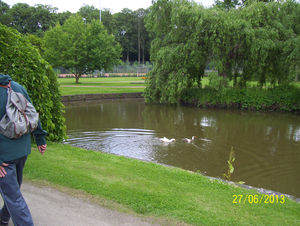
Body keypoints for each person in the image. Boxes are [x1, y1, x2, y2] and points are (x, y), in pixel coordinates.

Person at [0, 74, 47, 226]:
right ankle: (4, 217)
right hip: (22, 150)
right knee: (13, 191)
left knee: (13, 196)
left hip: (5, 156)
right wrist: (40, 138)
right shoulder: (17, 86)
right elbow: (32, 114)